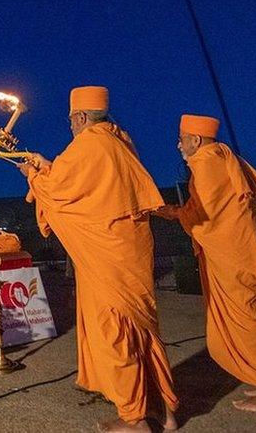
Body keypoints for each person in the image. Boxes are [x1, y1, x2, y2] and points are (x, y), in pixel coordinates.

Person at [19, 86, 177, 432]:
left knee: (115, 329)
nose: (71, 128)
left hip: (106, 255)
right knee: (141, 327)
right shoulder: (119, 140)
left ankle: (134, 419)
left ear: (79, 117)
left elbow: (61, 190)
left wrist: (33, 174)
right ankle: (162, 409)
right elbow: (85, 183)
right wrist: (47, 166)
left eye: (71, 121)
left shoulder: (89, 144)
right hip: (129, 249)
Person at [154, 114, 256, 414]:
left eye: (181, 138)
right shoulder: (222, 159)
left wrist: (173, 213)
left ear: (195, 139)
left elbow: (205, 217)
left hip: (233, 256)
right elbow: (210, 207)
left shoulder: (207, 163)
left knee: (249, 318)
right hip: (244, 251)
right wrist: (177, 211)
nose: (178, 144)